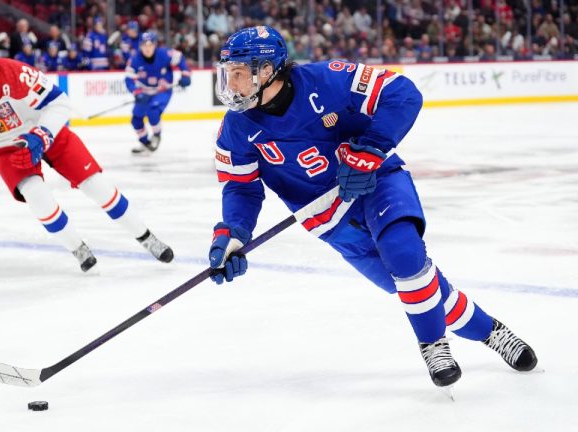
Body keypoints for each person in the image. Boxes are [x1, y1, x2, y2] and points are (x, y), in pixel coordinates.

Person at [207, 26, 537, 388]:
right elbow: (240, 187)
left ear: (267, 70)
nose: (231, 84)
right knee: (417, 289)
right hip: (328, 221)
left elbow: (402, 93)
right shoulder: (234, 129)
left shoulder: (328, 79)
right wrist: (235, 232)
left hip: (377, 182)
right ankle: (493, 332)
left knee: (404, 254)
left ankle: (433, 345)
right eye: (228, 73)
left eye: (238, 73)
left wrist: (371, 150)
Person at [0, 24, 174, 272]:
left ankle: (146, 237)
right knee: (38, 198)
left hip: (47, 132)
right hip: (7, 147)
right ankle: (78, 249)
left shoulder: (16, 73)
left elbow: (59, 102)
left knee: (97, 186)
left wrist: (43, 133)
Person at [124, 31, 191, 154]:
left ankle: (156, 136)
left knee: (153, 112)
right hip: (144, 93)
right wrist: (136, 91)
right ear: (140, 46)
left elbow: (180, 58)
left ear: (155, 45)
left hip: (162, 91)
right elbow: (129, 79)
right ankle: (145, 142)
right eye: (144, 45)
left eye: (150, 45)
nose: (147, 48)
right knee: (136, 120)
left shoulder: (164, 53)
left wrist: (185, 75)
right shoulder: (134, 59)